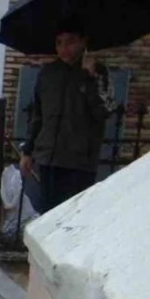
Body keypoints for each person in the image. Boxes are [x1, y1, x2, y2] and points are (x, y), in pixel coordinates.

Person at [20, 16, 115, 212]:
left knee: (72, 219)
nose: (64, 49)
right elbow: (38, 115)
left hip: (78, 163)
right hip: (48, 159)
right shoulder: (48, 73)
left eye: (70, 42)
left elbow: (103, 111)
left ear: (83, 41)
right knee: (47, 215)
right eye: (59, 43)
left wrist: (89, 78)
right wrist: (28, 151)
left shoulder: (99, 73)